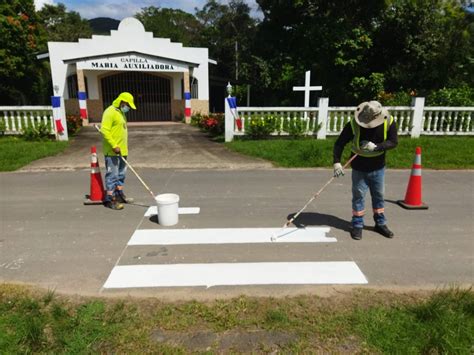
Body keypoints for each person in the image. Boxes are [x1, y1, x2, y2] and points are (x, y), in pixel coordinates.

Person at [333, 100, 398, 240]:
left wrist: (377, 147)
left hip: (378, 167)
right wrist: (336, 162)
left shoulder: (389, 121)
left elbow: (393, 142)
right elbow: (339, 143)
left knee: (379, 196)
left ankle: (380, 224)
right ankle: (357, 225)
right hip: (359, 167)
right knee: (358, 197)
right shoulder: (353, 124)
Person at [100, 92, 136, 210]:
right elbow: (105, 130)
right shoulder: (109, 112)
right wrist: (114, 145)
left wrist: (122, 148)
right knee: (112, 175)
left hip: (123, 151)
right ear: (122, 102)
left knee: (121, 174)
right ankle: (110, 199)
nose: (128, 108)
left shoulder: (121, 113)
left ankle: (119, 194)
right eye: (127, 105)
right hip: (112, 151)